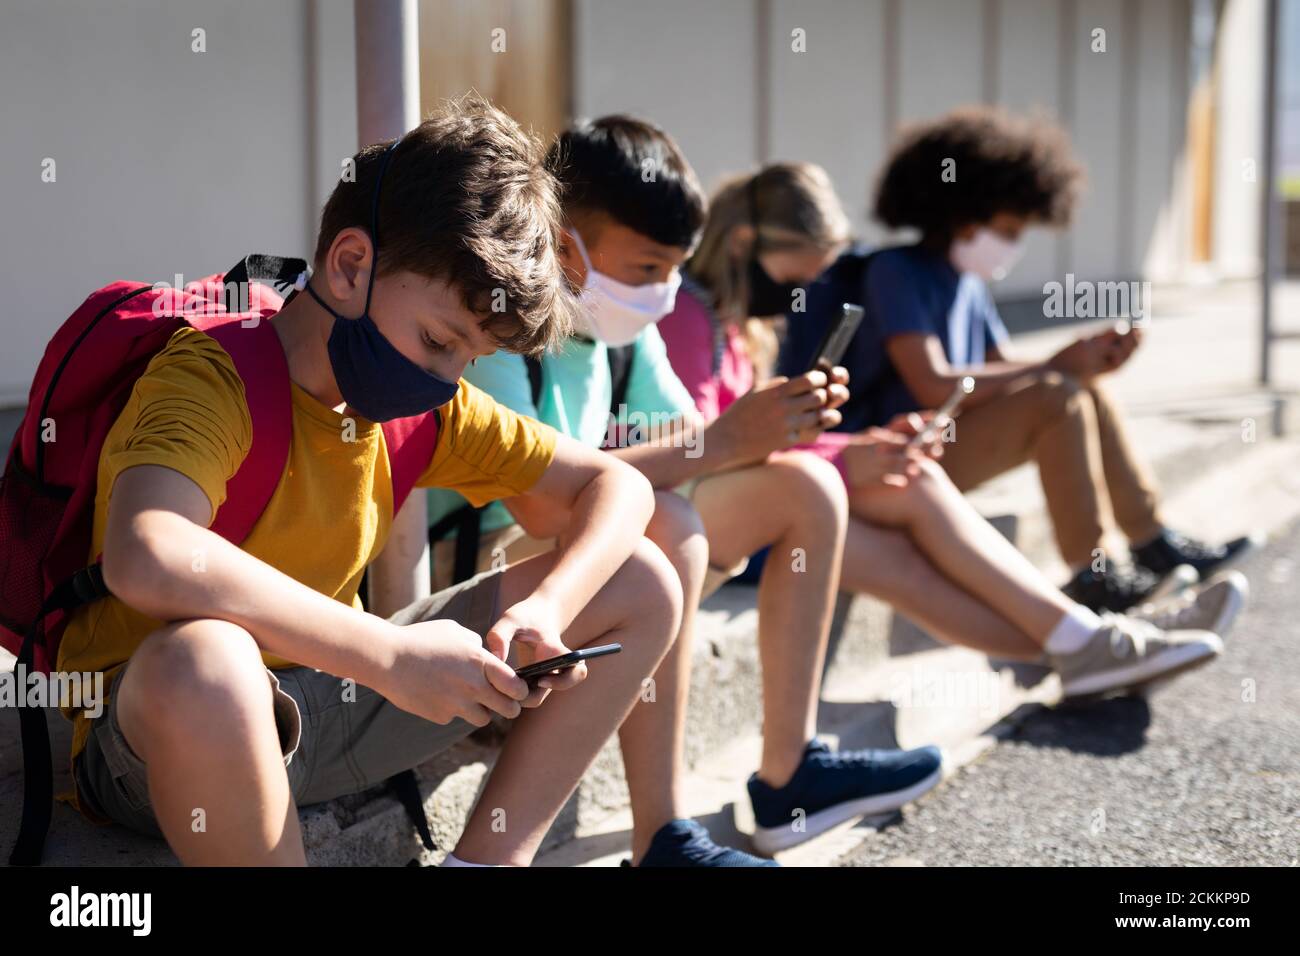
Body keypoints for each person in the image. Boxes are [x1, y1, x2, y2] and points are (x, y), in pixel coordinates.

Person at [57, 97, 681, 867]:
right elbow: (147, 554)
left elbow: (618, 489)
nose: (447, 379)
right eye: (438, 340)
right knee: (206, 662)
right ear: (351, 267)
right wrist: (387, 654)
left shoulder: (418, 408)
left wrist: (544, 613)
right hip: (170, 744)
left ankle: (485, 862)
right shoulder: (211, 377)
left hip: (332, 699)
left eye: (469, 358)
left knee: (642, 577)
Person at [423, 116, 945, 864]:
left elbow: (696, 447)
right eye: (644, 269)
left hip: (576, 567)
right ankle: (662, 834)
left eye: (675, 269)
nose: (663, 291)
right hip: (483, 581)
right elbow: (542, 502)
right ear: (563, 240)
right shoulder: (495, 332)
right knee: (666, 524)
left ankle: (788, 778)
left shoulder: (622, 332)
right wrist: (727, 438)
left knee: (804, 487)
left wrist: (786, 430)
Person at [656, 161, 1238, 717]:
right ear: (742, 243)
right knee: (915, 504)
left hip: (770, 503)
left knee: (911, 530)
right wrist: (846, 454)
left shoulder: (735, 326)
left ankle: (1096, 642)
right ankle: (1098, 638)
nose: (803, 293)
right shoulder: (688, 316)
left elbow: (750, 445)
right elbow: (713, 452)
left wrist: (860, 446)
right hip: (741, 518)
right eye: (797, 278)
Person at [776, 107, 1258, 613]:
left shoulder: (967, 283)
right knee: (1058, 393)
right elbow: (934, 386)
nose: (1012, 245)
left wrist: (1083, 361)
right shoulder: (896, 271)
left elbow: (1002, 371)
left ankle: (1151, 541)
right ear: (964, 215)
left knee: (1080, 386)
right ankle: (1093, 576)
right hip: (893, 458)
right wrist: (1055, 364)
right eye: (1007, 229)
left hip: (945, 445)